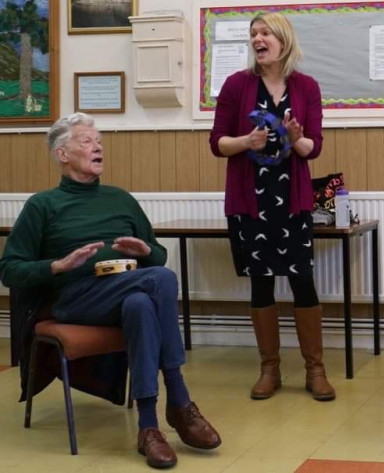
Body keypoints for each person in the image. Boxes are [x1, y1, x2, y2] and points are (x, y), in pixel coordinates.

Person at [0, 113, 221, 469]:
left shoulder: (121, 199)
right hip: (74, 298)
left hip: (123, 290)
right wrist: (58, 265)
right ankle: (179, 398)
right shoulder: (43, 205)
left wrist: (145, 252)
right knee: (161, 280)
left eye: (99, 140)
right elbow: (9, 269)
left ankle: (148, 428)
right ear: (62, 154)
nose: (98, 146)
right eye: (86, 141)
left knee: (140, 305)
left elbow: (157, 254)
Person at [209, 12, 334, 401]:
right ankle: (270, 369)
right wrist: (247, 141)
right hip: (251, 201)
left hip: (291, 201)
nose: (257, 39)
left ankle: (315, 370)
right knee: (261, 281)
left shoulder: (306, 87)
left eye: (265, 33)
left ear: (283, 40)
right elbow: (218, 144)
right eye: (253, 34)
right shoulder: (236, 85)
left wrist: (296, 138)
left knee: (302, 280)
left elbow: (313, 147)